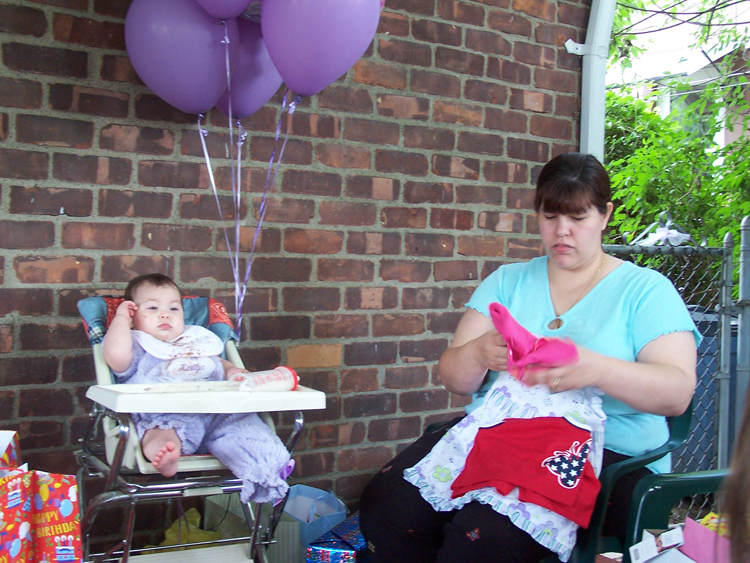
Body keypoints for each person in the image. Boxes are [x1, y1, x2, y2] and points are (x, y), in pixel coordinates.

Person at [359, 153, 700, 563]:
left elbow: (677, 392)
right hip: (497, 436)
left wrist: (594, 369)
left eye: (578, 218)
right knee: (387, 507)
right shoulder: (508, 281)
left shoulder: (645, 291)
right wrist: (478, 352)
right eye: (551, 216)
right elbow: (454, 378)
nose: (562, 231)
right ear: (536, 212)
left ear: (606, 214)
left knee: (482, 539)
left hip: (605, 455)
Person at [102, 273, 294, 504]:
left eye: (174, 309)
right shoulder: (137, 346)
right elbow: (115, 356)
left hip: (219, 414)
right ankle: (166, 457)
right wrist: (121, 319)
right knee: (158, 435)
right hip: (168, 417)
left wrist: (232, 371)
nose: (165, 314)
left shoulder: (196, 340)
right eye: (152, 308)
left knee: (246, 427)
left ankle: (268, 466)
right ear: (134, 317)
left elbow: (217, 363)